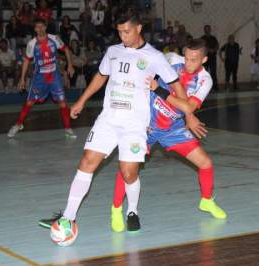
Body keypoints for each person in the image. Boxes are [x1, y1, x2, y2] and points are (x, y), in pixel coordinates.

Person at [38, 9, 192, 233]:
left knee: (128, 172)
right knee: (87, 162)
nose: (123, 37)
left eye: (127, 32)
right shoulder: (112, 51)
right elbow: (101, 76)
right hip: (108, 119)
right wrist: (81, 100)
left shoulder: (155, 57)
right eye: (119, 32)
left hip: (134, 124)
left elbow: (176, 84)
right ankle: (67, 218)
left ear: (139, 28)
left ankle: (132, 211)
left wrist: (188, 113)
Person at [110, 39, 226, 232]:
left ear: (204, 59)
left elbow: (187, 106)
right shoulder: (171, 59)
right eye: (186, 58)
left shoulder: (205, 80)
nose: (188, 63)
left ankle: (206, 201)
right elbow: (144, 75)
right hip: (146, 123)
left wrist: (181, 108)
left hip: (173, 128)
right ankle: (116, 209)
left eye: (194, 60)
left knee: (205, 163)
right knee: (128, 167)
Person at [7, 19, 76, 138]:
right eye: (37, 27)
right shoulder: (32, 44)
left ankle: (68, 129)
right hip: (39, 78)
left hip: (55, 77)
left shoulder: (54, 39)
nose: (40, 29)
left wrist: (70, 65)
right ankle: (18, 124)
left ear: (45, 27)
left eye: (42, 26)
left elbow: (66, 49)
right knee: (29, 102)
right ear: (34, 29)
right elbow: (26, 61)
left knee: (63, 103)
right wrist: (22, 78)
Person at [201, 25, 219, 91]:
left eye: (208, 29)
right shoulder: (202, 38)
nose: (207, 30)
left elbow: (217, 46)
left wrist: (214, 50)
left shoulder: (213, 38)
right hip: (205, 59)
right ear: (204, 30)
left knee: (213, 72)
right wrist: (208, 50)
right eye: (206, 29)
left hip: (212, 58)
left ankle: (215, 87)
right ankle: (204, 88)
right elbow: (201, 47)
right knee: (204, 73)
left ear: (210, 30)